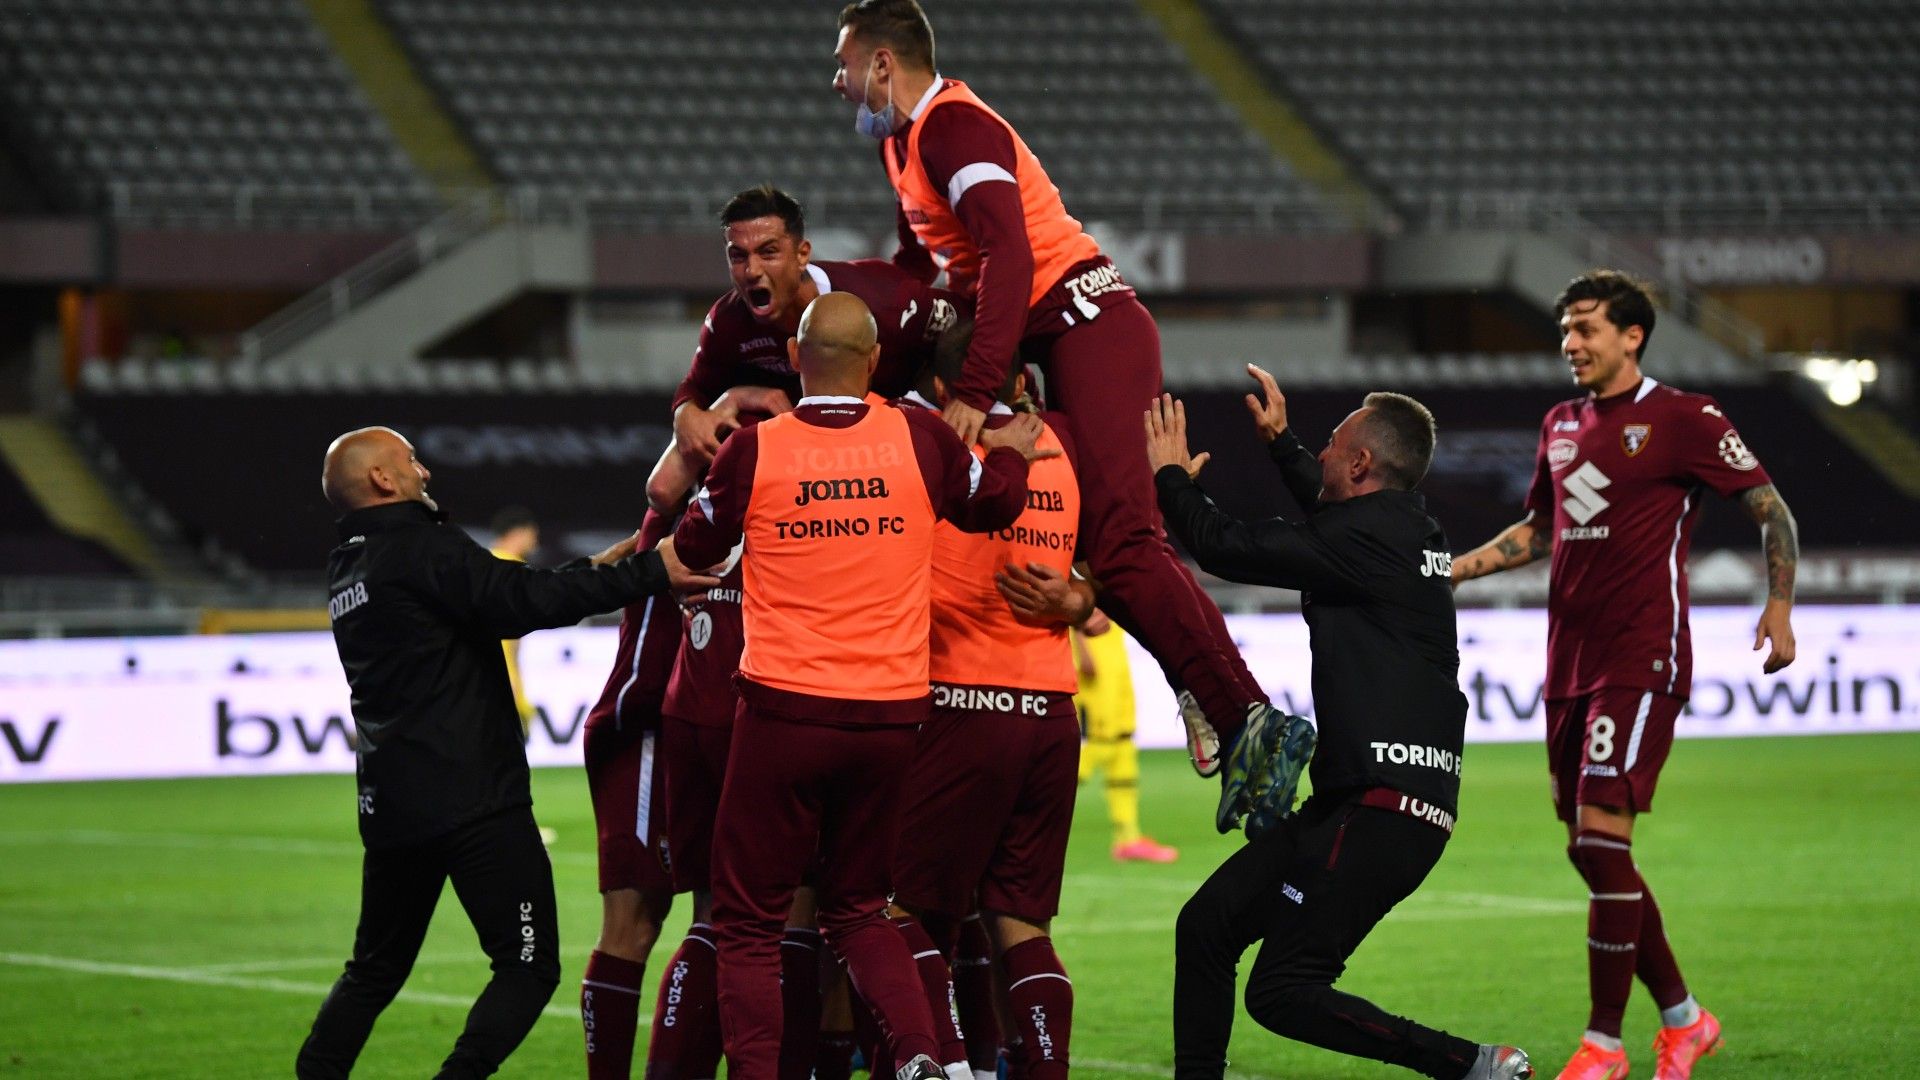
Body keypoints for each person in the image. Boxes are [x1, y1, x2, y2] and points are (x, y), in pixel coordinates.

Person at [830, 0, 1300, 833]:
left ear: (882, 63)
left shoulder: (952, 127)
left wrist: (974, 390)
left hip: (1089, 322)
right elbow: (922, 267)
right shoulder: (900, 145)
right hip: (1049, 339)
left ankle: (1248, 717)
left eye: (843, 64)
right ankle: (1207, 691)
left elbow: (1010, 253)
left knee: (1125, 542)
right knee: (1099, 545)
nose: (836, 82)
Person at [673, 292, 1048, 1080]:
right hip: (889, 720)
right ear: (874, 362)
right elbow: (996, 503)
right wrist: (1012, 448)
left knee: (748, 923)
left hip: (783, 714)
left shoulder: (756, 450)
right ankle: (919, 1057)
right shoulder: (918, 437)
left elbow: (696, 543)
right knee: (860, 911)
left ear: (797, 360)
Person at [1450, 271, 1798, 1080]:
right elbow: (1541, 529)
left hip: (1642, 653)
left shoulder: (1684, 418)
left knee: (1603, 841)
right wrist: (1452, 572)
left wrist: (1779, 604)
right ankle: (1685, 1019)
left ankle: (1604, 1043)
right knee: (1590, 850)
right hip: (1568, 661)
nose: (1570, 343)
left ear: (1632, 336)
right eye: (1565, 330)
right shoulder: (1561, 424)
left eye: (1586, 328)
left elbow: (1770, 507)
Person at [1148, 371, 1534, 1080]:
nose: (1320, 453)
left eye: (1330, 444)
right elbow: (1337, 518)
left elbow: (1222, 546)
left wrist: (1168, 477)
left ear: (1359, 462)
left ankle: (1469, 1065)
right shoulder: (1406, 528)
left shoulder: (1369, 538)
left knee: (1282, 990)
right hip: (1362, 804)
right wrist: (1282, 444)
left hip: (1380, 812)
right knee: (1206, 926)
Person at [298, 426, 715, 1080]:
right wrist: (648, 571)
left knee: (374, 969)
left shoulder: (350, 566)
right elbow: (521, 603)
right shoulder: (421, 546)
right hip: (471, 799)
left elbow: (491, 595)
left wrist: (597, 570)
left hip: (392, 802)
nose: (424, 472)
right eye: (410, 460)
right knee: (527, 967)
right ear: (382, 478)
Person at [890, 356, 1090, 1079]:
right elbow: (1102, 564)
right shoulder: (1062, 444)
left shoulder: (936, 444)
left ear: (947, 387)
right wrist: (1082, 599)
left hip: (962, 700)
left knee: (896, 911)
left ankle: (948, 1066)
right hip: (1051, 711)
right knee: (1021, 923)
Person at [670, 183, 968, 466]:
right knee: (667, 483)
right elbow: (697, 385)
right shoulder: (728, 320)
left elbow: (969, 323)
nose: (751, 271)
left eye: (768, 252)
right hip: (810, 446)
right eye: (738, 256)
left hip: (893, 441)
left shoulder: (887, 299)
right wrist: (684, 413)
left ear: (802, 254)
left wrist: (941, 404)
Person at [574, 501, 686, 1079]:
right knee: (635, 924)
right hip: (647, 725)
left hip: (725, 725)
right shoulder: (688, 495)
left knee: (745, 920)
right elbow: (664, 484)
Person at [1073, 610, 1178, 863]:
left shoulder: (1109, 608)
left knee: (1123, 772)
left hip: (1118, 699)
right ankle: (1019, 811)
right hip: (1097, 700)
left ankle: (1128, 839)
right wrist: (1081, 648)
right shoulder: (1080, 606)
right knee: (1080, 764)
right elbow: (1076, 631)